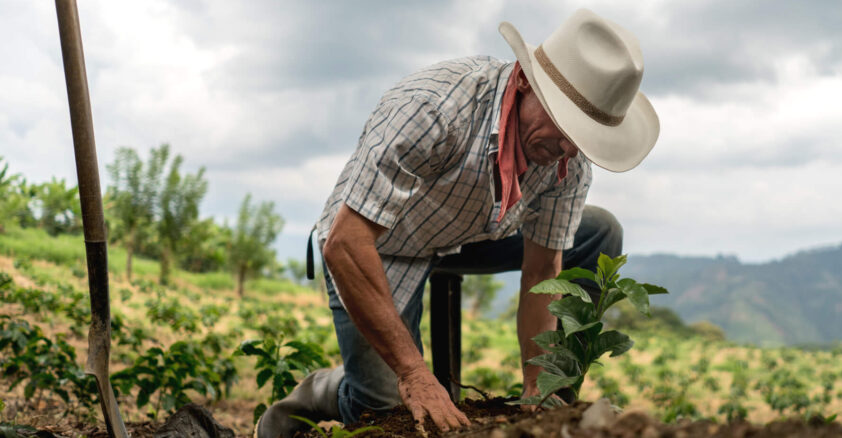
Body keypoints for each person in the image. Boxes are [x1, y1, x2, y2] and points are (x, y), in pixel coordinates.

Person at [256, 8, 659, 438]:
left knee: (599, 232)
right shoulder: (434, 110)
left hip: (474, 232)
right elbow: (346, 241)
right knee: (385, 407)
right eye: (563, 126)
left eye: (581, 137)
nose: (566, 149)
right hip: (381, 242)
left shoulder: (566, 158)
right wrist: (413, 372)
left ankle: (556, 396)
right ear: (525, 81)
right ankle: (325, 389)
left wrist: (538, 387)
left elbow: (543, 270)